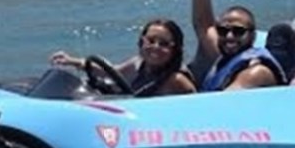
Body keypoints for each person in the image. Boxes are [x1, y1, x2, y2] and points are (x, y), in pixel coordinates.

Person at [189, 0, 286, 92]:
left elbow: (223, 104)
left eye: (238, 31)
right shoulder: (225, 54)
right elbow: (203, 24)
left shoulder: (257, 73)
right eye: (222, 30)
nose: (229, 36)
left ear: (253, 36)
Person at [49, 18, 197, 97]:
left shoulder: (177, 81)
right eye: (151, 41)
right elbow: (111, 72)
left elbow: (196, 109)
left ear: (175, 50)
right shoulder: (138, 64)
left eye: (164, 44)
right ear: (141, 42)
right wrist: (73, 61)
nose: (155, 47)